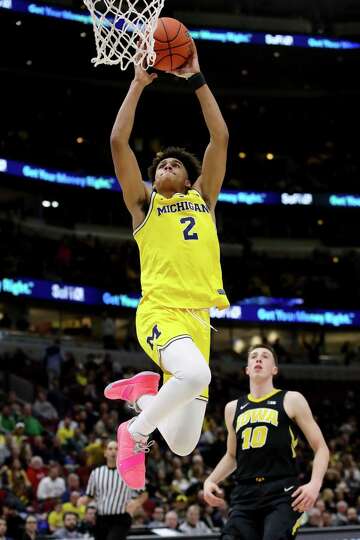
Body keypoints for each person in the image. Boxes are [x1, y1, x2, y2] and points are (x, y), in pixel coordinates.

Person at [105, 38, 229, 490]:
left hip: (199, 321)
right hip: (159, 312)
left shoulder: (204, 199)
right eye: (160, 165)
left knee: (181, 443)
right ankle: (132, 431)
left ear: (189, 176)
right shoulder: (144, 204)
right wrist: (138, 84)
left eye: (176, 164)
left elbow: (220, 138)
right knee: (197, 374)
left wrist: (196, 78)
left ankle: (146, 392)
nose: (167, 166)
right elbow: (119, 140)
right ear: (152, 179)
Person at [203, 344, 330, 540]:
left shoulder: (291, 399)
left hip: (282, 492)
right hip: (245, 494)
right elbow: (232, 456)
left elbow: (321, 447)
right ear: (247, 369)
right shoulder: (232, 408)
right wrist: (211, 480)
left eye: (265, 356)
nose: (258, 359)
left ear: (274, 369)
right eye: (253, 356)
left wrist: (314, 484)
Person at [78, 440, 147, 540]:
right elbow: (89, 496)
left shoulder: (128, 471)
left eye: (116, 449)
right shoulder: (96, 472)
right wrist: (81, 501)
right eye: (110, 449)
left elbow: (144, 494)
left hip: (121, 518)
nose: (113, 451)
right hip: (101, 518)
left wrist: (136, 503)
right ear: (105, 453)